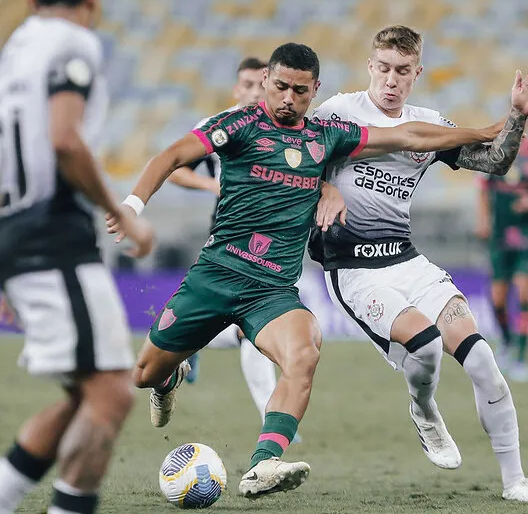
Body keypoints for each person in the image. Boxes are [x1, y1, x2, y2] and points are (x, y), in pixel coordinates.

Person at [107, 42, 506, 500]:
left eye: (299, 90)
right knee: (143, 374)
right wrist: (133, 205)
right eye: (279, 87)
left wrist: (487, 130)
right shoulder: (237, 124)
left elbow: (410, 137)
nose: (287, 99)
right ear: (265, 84)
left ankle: (263, 464)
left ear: (315, 90)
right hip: (215, 275)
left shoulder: (325, 136)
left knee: (305, 351)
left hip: (272, 290)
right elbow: (171, 156)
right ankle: (168, 379)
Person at [309, 25, 528, 502]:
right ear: (371, 66)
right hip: (354, 269)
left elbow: (495, 163)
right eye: (384, 69)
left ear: (417, 73)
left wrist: (515, 116)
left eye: (402, 72)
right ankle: (424, 408)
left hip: (407, 260)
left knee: (484, 360)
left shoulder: (428, 124)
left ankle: (516, 481)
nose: (391, 80)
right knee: (426, 346)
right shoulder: (338, 112)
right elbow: (300, 161)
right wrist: (325, 185)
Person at [0, 0, 153, 513]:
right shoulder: (72, 43)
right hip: (53, 236)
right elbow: (65, 139)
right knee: (112, 391)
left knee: (87, 392)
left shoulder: (15, 49)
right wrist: (122, 213)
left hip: (19, 234)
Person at [168, 57, 283, 436]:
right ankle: (275, 416)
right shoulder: (220, 124)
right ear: (237, 88)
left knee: (251, 325)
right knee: (251, 326)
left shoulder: (283, 124)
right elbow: (177, 167)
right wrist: (211, 185)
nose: (253, 91)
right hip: (229, 234)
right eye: (246, 84)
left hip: (276, 240)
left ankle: (190, 341)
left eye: (259, 84)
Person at [476, 137, 528, 382]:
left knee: (524, 292)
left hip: (525, 236)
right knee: (498, 300)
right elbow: (484, 189)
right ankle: (507, 342)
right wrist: (483, 220)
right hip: (500, 237)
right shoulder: (501, 148)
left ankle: (520, 357)